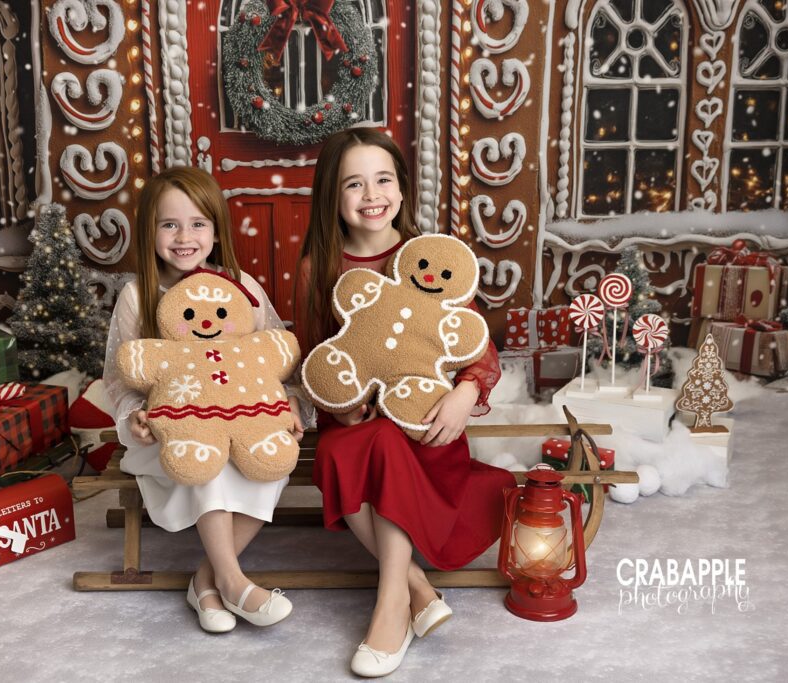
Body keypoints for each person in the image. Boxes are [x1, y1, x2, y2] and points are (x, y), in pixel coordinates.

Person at [296, 128, 516, 677]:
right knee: (343, 452)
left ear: (401, 187)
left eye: (383, 179)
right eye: (354, 184)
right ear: (332, 196)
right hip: (357, 422)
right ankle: (413, 589)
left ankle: (390, 606)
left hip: (425, 421)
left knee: (388, 444)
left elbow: (473, 345)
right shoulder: (317, 269)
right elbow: (311, 358)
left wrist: (466, 393)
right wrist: (339, 406)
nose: (372, 195)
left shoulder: (429, 259)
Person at [103, 167, 303, 633]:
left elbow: (275, 357)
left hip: (245, 419)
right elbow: (120, 377)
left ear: (216, 230)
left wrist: (291, 403)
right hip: (173, 430)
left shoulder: (242, 287)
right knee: (207, 457)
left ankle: (206, 579)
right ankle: (234, 582)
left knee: (268, 455)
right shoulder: (138, 296)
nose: (184, 237)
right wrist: (135, 415)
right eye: (169, 225)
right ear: (149, 231)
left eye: (197, 224)